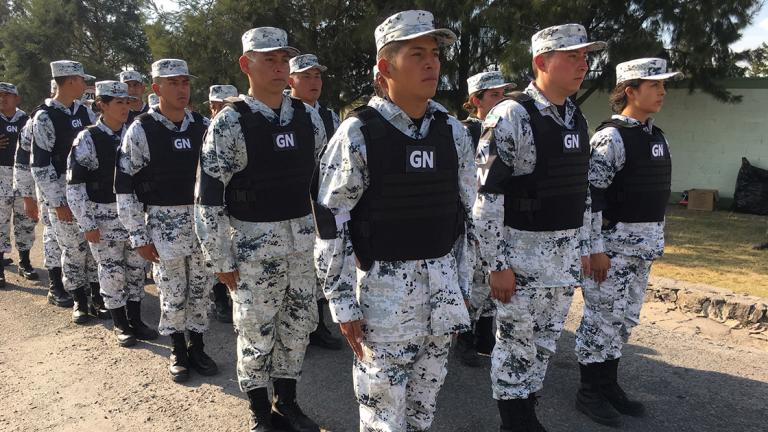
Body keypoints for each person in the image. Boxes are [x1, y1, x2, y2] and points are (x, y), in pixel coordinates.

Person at [313, 10, 476, 431]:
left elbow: (465, 218)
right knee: (384, 416)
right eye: (417, 53)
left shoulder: (452, 131)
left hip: (441, 297)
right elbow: (331, 222)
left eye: (435, 54)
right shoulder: (357, 134)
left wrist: (463, 288)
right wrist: (342, 301)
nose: (431, 63)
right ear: (385, 67)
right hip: (382, 304)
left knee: (423, 412)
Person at [474, 23, 605, 430]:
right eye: (572, 56)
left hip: (562, 261)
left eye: (585, 57)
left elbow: (581, 191)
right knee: (515, 346)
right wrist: (496, 264)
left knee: (544, 346)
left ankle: (527, 415)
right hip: (521, 262)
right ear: (541, 62)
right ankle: (514, 423)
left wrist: (588, 245)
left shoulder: (574, 117)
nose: (582, 64)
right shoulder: (512, 115)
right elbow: (487, 200)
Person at [196, 27, 326, 432]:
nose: (278, 66)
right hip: (253, 250)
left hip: (302, 248)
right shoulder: (230, 122)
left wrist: (332, 246)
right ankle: (258, 412)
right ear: (245, 63)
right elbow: (209, 197)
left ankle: (286, 402)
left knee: (298, 327)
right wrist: (220, 258)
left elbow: (322, 188)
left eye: (283, 59)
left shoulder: (308, 118)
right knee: (256, 332)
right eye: (268, 58)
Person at [574, 58, 681, 427]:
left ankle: (609, 385)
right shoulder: (611, 137)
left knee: (622, 320)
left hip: (642, 249)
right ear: (630, 91)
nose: (662, 92)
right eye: (655, 85)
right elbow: (591, 196)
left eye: (664, 85)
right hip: (611, 250)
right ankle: (589, 392)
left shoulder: (656, 135)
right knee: (601, 320)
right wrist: (595, 249)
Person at [115, 59, 218, 382]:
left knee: (201, 289)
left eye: (185, 82)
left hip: (201, 224)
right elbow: (124, 185)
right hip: (163, 225)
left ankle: (197, 346)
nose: (181, 89)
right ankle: (178, 349)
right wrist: (138, 235)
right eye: (173, 83)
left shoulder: (202, 125)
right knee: (173, 291)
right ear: (156, 88)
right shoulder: (142, 129)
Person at [67, 80, 159, 347]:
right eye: (118, 102)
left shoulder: (134, 134)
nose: (125, 108)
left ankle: (136, 319)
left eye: (128, 102)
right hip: (103, 217)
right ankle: (120, 323)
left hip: (132, 217)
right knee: (111, 272)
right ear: (101, 105)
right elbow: (75, 186)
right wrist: (86, 223)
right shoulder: (88, 138)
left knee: (135, 270)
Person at [31, 60, 104, 323]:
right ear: (70, 81)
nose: (85, 85)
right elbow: (40, 165)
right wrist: (57, 202)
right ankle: (80, 301)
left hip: (86, 190)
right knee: (73, 249)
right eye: (81, 79)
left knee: (94, 245)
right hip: (62, 192)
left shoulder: (85, 113)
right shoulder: (45, 116)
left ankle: (98, 296)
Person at [456, 71, 515, 367]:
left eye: (503, 94)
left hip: (500, 217)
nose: (501, 99)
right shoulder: (464, 130)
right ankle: (464, 338)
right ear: (476, 99)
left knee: (492, 279)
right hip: (472, 216)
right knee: (474, 280)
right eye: (494, 95)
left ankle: (484, 335)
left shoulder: (509, 126)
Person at [287, 53, 343, 351]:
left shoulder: (329, 116)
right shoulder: (286, 113)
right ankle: (298, 328)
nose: (313, 82)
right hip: (292, 202)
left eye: (317, 76)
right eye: (306, 76)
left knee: (320, 265)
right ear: (290, 80)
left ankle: (318, 325)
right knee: (296, 271)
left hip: (320, 201)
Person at [14, 80, 70, 305]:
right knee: (53, 236)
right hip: (49, 188)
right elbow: (24, 160)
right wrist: (28, 197)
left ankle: (76, 283)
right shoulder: (40, 118)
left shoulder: (82, 113)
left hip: (75, 189)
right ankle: (56, 286)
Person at [0, 82, 38, 287]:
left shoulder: (27, 120)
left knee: (25, 220)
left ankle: (24, 261)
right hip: (0, 174)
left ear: (17, 98)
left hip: (23, 175)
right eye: (0, 95)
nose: (3, 99)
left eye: (8, 95)